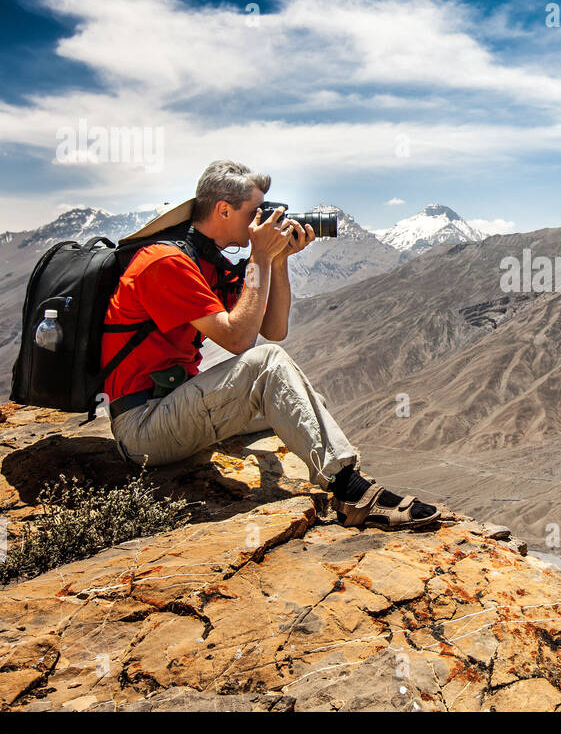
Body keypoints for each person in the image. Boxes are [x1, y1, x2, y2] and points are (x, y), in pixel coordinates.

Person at [102, 160, 439, 531]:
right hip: (144, 427)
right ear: (223, 210)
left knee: (303, 402)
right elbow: (240, 340)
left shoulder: (208, 263)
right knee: (268, 365)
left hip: (174, 405)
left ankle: (340, 476)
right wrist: (260, 256)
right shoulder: (164, 262)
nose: (263, 221)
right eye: (255, 212)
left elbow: (274, 329)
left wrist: (277, 261)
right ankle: (351, 493)